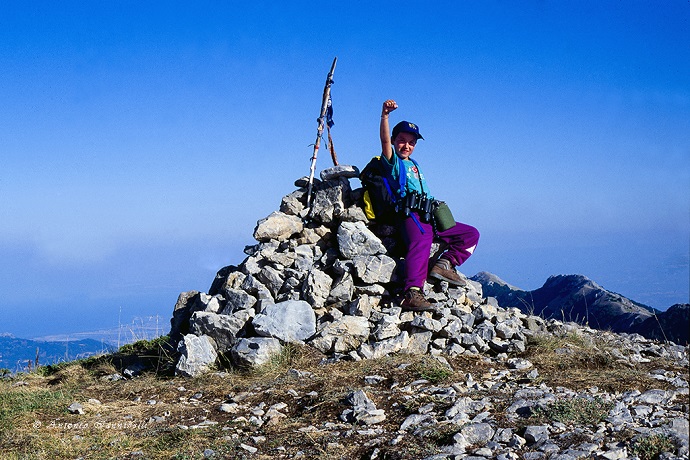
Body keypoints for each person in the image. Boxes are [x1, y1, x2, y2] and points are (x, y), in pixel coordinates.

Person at [379, 99, 480, 311]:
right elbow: (385, 142)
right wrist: (385, 116)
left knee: (470, 234)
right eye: (401, 140)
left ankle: (444, 265)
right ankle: (413, 293)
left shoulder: (415, 164)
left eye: (412, 142)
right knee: (422, 238)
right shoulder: (393, 163)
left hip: (428, 216)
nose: (406, 145)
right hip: (409, 215)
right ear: (395, 140)